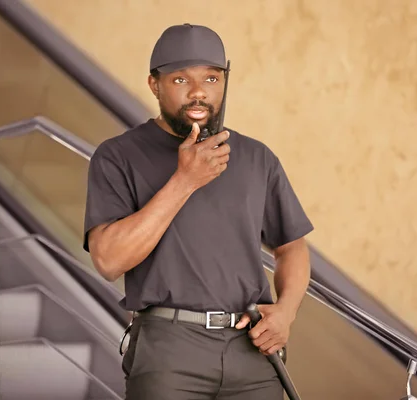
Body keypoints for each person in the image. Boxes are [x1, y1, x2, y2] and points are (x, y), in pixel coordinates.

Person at [84, 23, 313, 400]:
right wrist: (185, 180)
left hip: (252, 352)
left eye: (211, 78)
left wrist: (285, 312)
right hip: (169, 352)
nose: (198, 93)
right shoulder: (117, 156)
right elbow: (108, 261)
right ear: (154, 84)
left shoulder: (258, 159)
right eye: (180, 80)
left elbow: (293, 248)